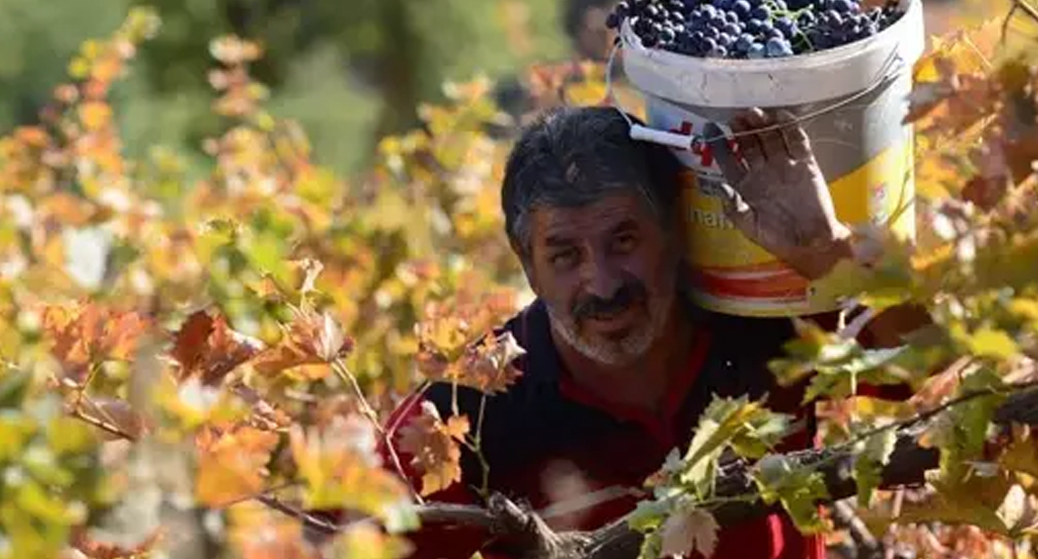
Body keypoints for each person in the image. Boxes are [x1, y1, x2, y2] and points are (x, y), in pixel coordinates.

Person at [381, 105, 923, 559]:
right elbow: (335, 541)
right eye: (565, 255)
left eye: (623, 240)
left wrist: (828, 252)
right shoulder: (470, 410)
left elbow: (925, 361)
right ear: (528, 266)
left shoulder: (762, 323)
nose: (602, 282)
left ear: (675, 230)